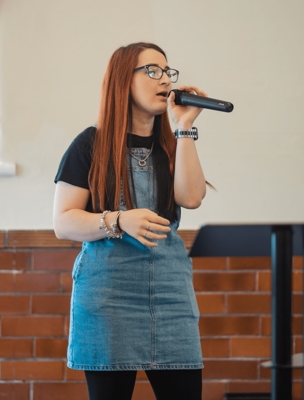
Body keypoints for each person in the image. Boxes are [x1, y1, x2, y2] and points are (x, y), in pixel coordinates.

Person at [53, 42, 208, 400]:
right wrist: (119, 220)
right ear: (124, 80)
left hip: (171, 295)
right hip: (109, 298)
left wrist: (183, 127)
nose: (164, 79)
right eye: (152, 70)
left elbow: (192, 197)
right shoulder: (89, 144)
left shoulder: (172, 145)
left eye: (168, 72)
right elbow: (63, 221)